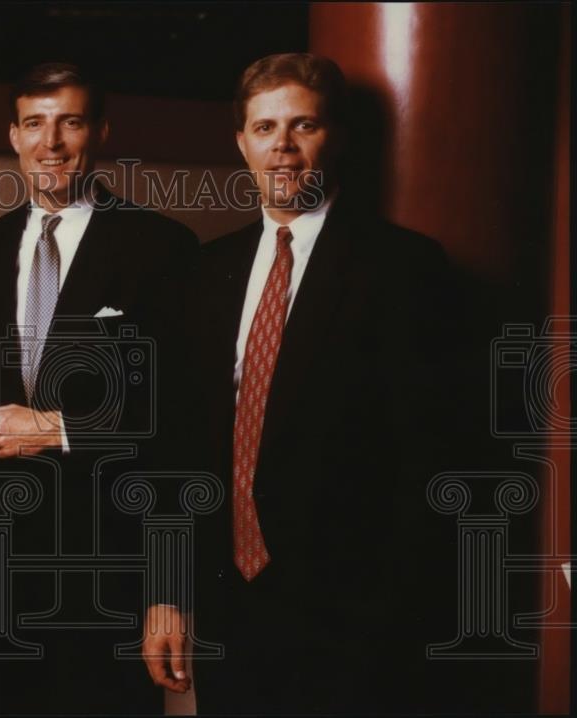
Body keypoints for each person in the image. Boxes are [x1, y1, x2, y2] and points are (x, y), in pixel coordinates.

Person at [141, 53, 454, 714]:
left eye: (302, 125)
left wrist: (391, 621)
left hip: (356, 622)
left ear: (334, 136)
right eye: (264, 128)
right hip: (229, 605)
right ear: (241, 143)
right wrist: (168, 593)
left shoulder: (404, 268)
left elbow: (430, 461)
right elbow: (179, 447)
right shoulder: (204, 273)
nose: (282, 146)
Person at [0, 62, 198, 714]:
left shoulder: (162, 247)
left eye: (70, 122)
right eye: (35, 123)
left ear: (101, 132)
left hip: (109, 573)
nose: (50, 142)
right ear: (14, 134)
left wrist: (166, 591)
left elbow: (179, 424)